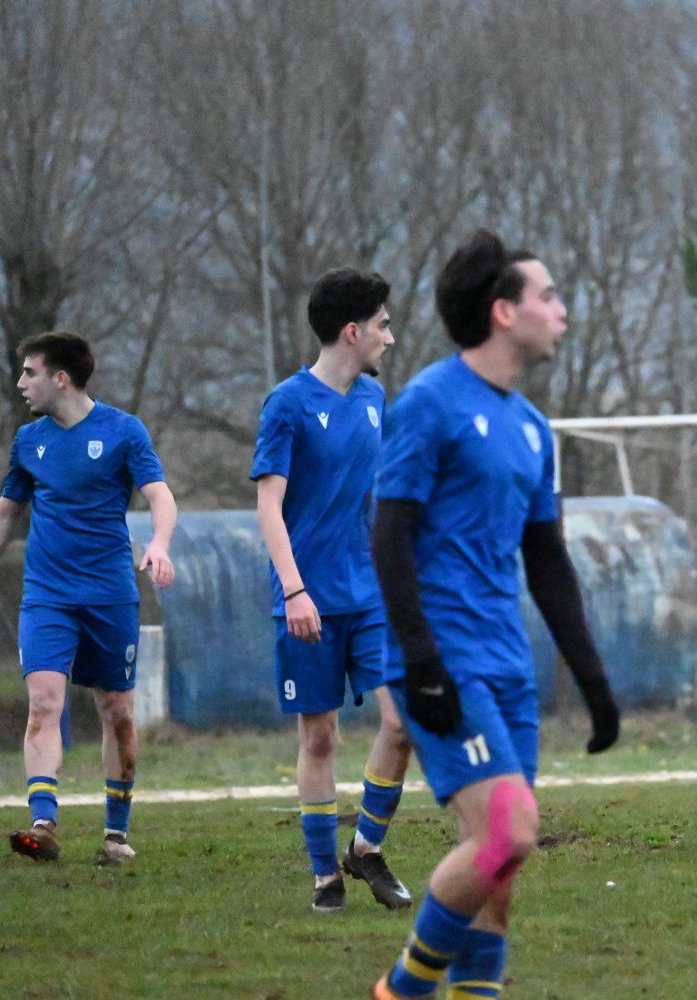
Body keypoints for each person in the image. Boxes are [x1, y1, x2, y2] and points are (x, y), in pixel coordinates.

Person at [369, 229, 620, 1000]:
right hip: (445, 664)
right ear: (505, 312)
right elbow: (388, 534)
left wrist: (592, 679)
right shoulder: (429, 402)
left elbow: (548, 562)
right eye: (548, 295)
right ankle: (402, 990)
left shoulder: (533, 428)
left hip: (507, 666)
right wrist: (420, 658)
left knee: (500, 869)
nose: (562, 310)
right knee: (509, 832)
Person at [0, 331, 177, 866]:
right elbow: (5, 515)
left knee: (116, 711)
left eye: (30, 372)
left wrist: (160, 543)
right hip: (47, 595)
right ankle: (43, 824)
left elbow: (160, 495)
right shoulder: (29, 441)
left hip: (109, 595)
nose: (21, 383)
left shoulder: (123, 431)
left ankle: (116, 834)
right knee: (45, 702)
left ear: (61, 378)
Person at [251, 267, 415, 914]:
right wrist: (295, 592)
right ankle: (326, 876)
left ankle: (366, 848)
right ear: (352, 331)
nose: (389, 338)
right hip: (307, 600)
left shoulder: (374, 398)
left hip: (370, 594)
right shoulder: (286, 404)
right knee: (319, 739)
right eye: (382, 325)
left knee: (402, 720)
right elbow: (269, 507)